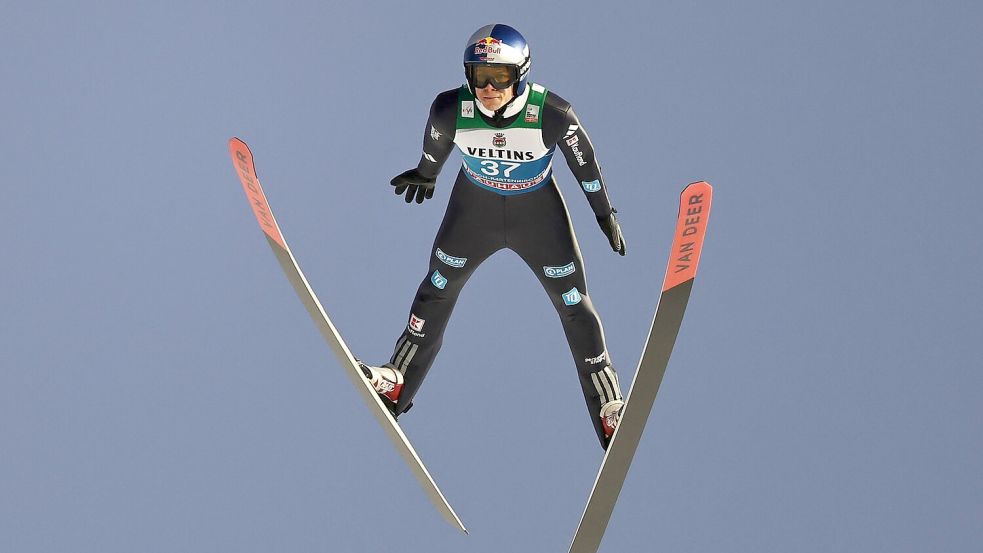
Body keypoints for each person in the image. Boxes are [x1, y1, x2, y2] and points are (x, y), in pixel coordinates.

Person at [360, 23, 627, 448]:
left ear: (520, 74)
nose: (487, 87)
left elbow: (586, 168)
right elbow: (436, 144)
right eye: (478, 75)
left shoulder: (553, 114)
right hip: (474, 211)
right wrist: (427, 174)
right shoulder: (450, 108)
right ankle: (397, 381)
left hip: (537, 214)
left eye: (499, 77)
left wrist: (604, 214)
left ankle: (609, 408)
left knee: (575, 304)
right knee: (437, 289)